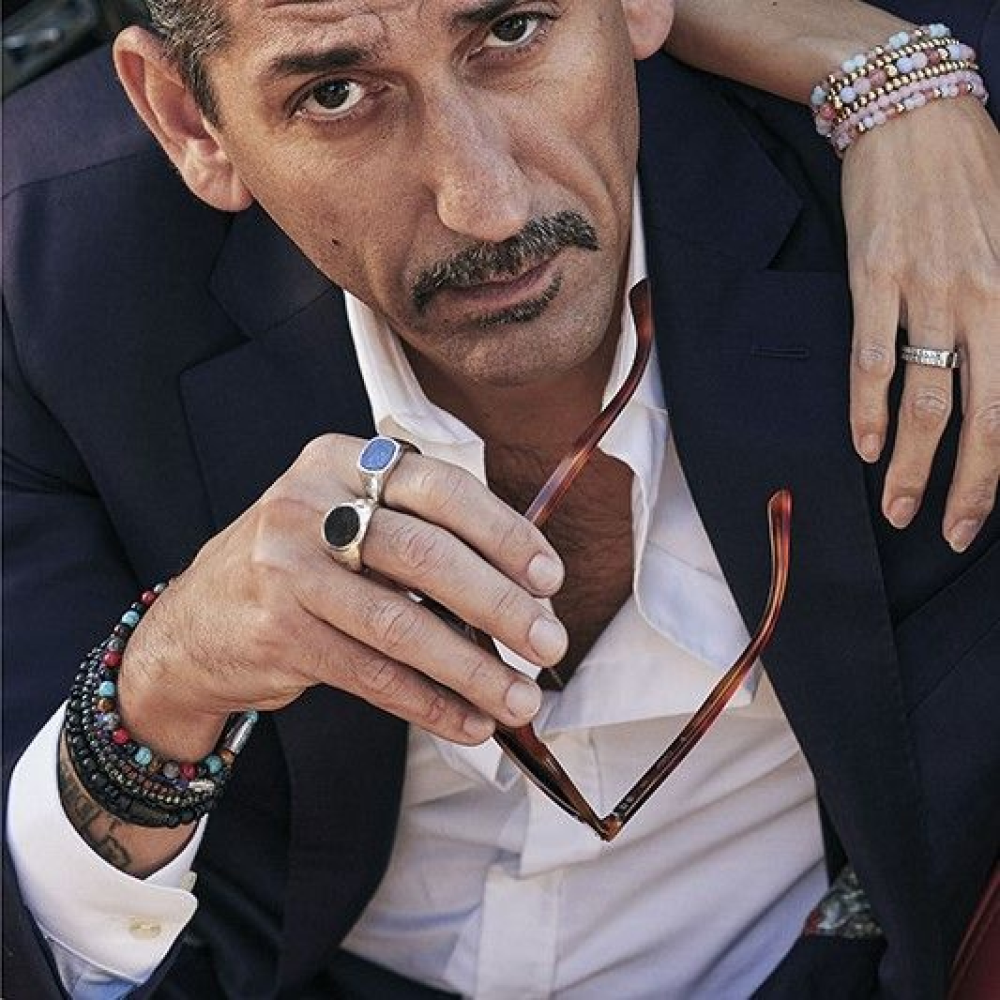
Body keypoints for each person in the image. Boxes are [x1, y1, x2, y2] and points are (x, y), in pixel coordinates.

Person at [2, 0, 998, 998]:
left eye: (513, 32)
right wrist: (163, 681)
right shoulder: (44, 284)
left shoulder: (921, 147)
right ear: (190, 122)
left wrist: (905, 86)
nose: (487, 203)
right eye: (335, 93)